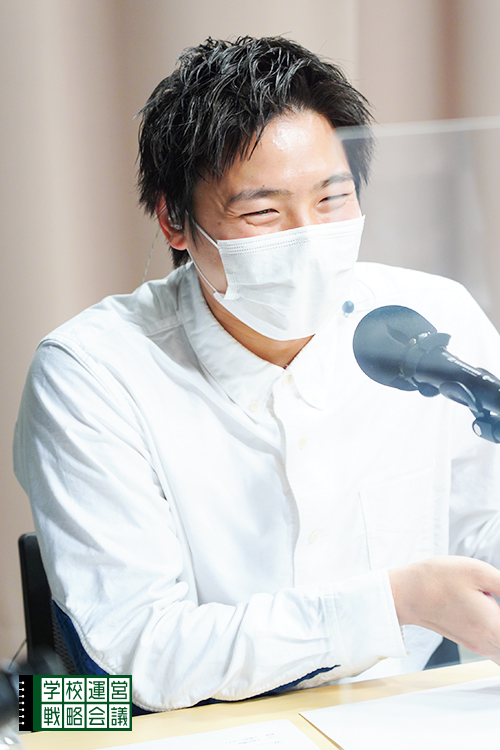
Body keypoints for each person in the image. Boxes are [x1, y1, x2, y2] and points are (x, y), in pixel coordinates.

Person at [13, 36, 500, 713]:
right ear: (175, 220)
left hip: (399, 714)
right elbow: (142, 651)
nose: (308, 238)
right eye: (263, 212)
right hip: (192, 727)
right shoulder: (92, 373)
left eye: (332, 200)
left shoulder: (432, 318)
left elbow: (484, 532)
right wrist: (395, 602)